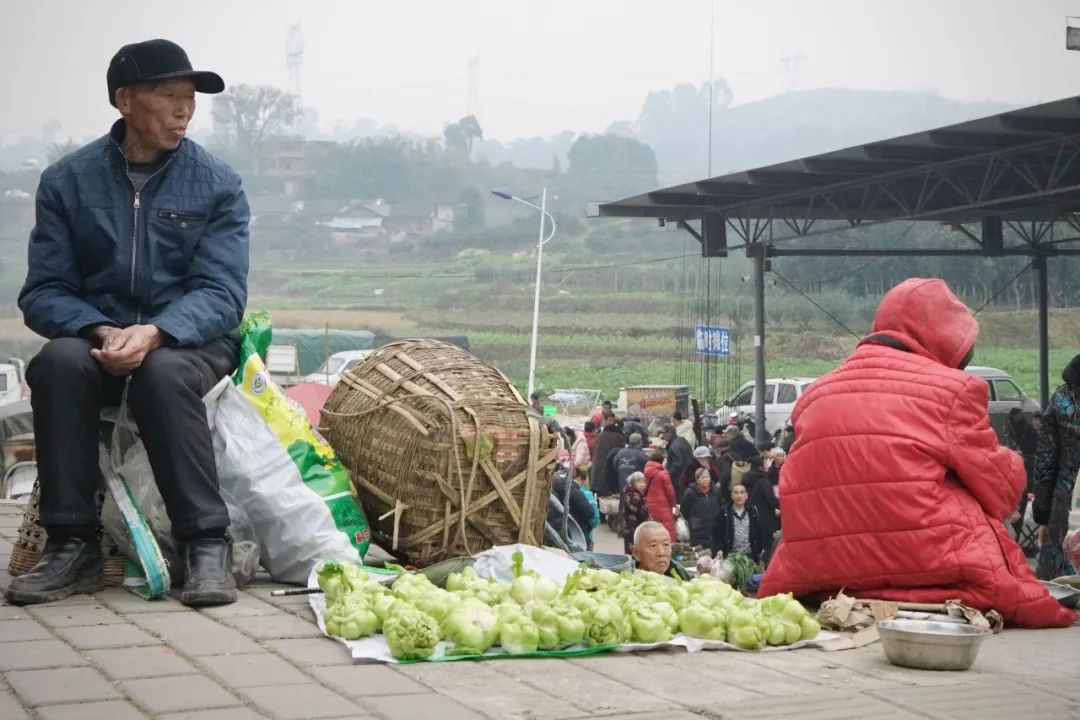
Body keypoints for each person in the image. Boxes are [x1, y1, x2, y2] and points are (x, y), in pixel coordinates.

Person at [6, 40, 249, 608]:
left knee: (162, 373)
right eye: (169, 96)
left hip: (190, 343)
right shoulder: (68, 182)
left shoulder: (216, 183)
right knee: (58, 364)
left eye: (189, 99)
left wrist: (157, 332)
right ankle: (71, 545)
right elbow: (44, 292)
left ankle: (205, 543)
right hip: (101, 341)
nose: (184, 110)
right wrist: (99, 330)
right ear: (124, 100)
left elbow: (222, 292)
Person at [759, 278, 1074, 628]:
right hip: (933, 566)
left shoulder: (815, 394)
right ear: (947, 338)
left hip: (821, 572)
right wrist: (1011, 462)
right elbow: (1001, 492)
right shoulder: (954, 389)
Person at [1033, 353, 1080, 580]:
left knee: (1060, 583)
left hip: (1066, 498)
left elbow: (1045, 459)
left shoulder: (1062, 398)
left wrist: (1042, 513)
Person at [714, 484, 766, 563]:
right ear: (732, 496)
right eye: (736, 493)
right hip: (731, 556)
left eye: (742, 493)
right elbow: (717, 534)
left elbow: (759, 531)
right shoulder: (724, 512)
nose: (739, 496)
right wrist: (719, 549)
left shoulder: (753, 511)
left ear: (746, 495)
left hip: (750, 556)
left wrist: (761, 549)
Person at [742, 456, 780, 564]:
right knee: (768, 551)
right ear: (761, 467)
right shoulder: (763, 481)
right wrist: (785, 506)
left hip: (750, 517)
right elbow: (771, 500)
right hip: (766, 520)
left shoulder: (745, 480)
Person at [680, 467, 723, 552]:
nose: (705, 480)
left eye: (707, 477)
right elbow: (684, 509)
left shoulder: (716, 491)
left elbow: (721, 505)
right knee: (700, 552)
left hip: (714, 526)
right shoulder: (690, 493)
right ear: (697, 480)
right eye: (702, 478)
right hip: (698, 529)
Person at [643, 450, 677, 541]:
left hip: (649, 504)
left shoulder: (646, 472)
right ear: (661, 461)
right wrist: (674, 507)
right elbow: (670, 493)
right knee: (667, 528)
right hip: (663, 506)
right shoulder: (663, 474)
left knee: (653, 528)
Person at [589, 416, 626, 497]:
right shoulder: (619, 437)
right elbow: (620, 456)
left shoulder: (599, 435)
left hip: (595, 473)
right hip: (607, 476)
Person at [660, 425, 694, 496]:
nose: (662, 435)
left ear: (669, 433)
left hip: (679, 479)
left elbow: (677, 464)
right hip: (688, 475)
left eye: (664, 433)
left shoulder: (674, 446)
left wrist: (667, 474)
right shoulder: (682, 440)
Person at [622, 472, 651, 554]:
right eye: (639, 482)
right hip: (633, 528)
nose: (642, 484)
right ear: (633, 483)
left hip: (633, 528)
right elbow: (637, 512)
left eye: (643, 481)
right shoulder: (634, 496)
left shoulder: (636, 494)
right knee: (635, 551)